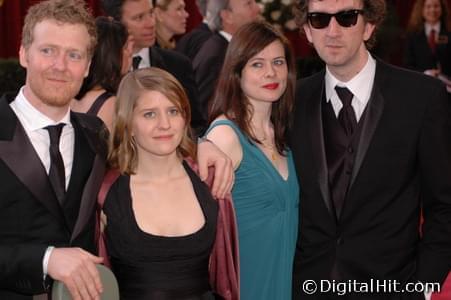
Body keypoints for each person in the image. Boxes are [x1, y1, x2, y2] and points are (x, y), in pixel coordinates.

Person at [291, 0, 451, 299]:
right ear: (307, 31)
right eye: (319, 20)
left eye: (347, 18)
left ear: (369, 26)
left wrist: (423, 288)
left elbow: (444, 205)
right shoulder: (292, 102)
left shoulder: (421, 98)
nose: (332, 31)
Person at [0, 0, 107, 299]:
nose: (60, 65)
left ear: (87, 66)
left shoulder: (97, 134)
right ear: (23, 54)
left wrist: (207, 148)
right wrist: (46, 259)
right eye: (48, 51)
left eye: (74, 55)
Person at [103, 67, 238, 299]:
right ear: (128, 124)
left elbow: (226, 275)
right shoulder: (105, 192)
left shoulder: (210, 180)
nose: (164, 124)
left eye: (173, 111)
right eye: (149, 114)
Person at [206, 21, 299, 299]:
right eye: (257, 64)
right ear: (237, 71)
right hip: (245, 285)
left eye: (278, 62)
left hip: (283, 282)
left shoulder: (284, 133)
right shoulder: (225, 137)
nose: (271, 72)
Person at [101, 0, 206, 135]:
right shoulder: (101, 68)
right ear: (116, 22)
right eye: (139, 18)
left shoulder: (177, 65)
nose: (151, 23)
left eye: (151, 13)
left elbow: (197, 125)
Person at [192, 0, 261, 124]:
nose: (258, 8)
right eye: (249, 4)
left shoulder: (226, 49)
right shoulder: (217, 57)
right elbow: (206, 113)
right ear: (227, 16)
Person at [72, 16, 134, 132]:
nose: (130, 52)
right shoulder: (113, 105)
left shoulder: (71, 95)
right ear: (112, 55)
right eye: (125, 47)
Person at [405, 0, 451, 78]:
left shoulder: (449, 33)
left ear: (442, 9)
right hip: (422, 84)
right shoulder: (412, 35)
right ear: (421, 10)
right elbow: (408, 65)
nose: (432, 10)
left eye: (436, 6)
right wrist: (425, 73)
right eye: (428, 6)